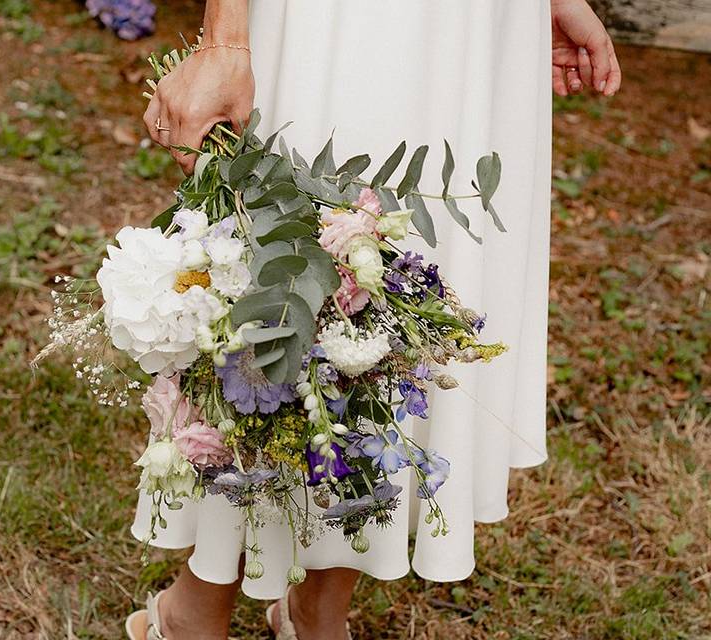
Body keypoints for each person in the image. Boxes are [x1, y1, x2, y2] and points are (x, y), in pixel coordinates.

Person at [129, 1, 621, 638]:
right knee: (294, 259)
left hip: (477, 24)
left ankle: (317, 608)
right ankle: (201, 601)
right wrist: (226, 40)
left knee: (408, 272)